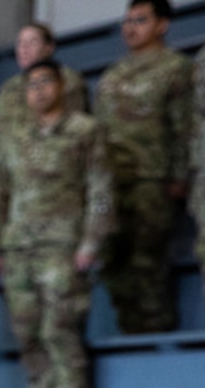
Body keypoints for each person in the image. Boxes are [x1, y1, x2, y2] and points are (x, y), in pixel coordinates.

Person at [0, 60, 113, 388]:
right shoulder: (11, 137)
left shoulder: (84, 130)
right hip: (19, 245)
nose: (39, 90)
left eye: (45, 82)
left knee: (60, 325)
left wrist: (91, 241)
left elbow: (100, 188)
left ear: (61, 87)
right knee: (25, 329)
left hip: (63, 243)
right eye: (32, 84)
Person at [94, 0, 193, 334]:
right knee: (112, 260)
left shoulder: (176, 68)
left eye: (140, 20)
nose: (130, 28)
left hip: (152, 178)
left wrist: (180, 174)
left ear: (162, 25)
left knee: (147, 261)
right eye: (127, 21)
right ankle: (131, 333)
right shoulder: (112, 75)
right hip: (111, 182)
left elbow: (185, 126)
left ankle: (156, 336)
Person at [0, 21, 89, 144]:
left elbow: (74, 125)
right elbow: (1, 133)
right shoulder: (8, 88)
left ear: (49, 48)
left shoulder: (66, 79)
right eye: (20, 43)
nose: (24, 49)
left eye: (32, 42)